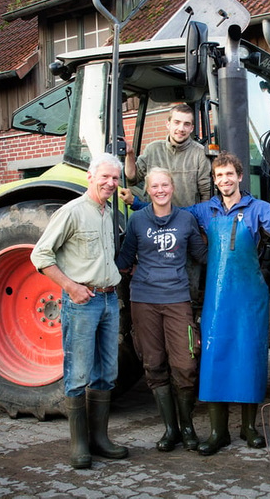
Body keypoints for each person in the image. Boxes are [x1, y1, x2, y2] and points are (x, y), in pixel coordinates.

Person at [184, 151, 270, 456]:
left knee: (250, 359)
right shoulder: (203, 211)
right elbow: (169, 214)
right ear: (214, 180)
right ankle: (218, 433)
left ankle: (249, 428)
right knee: (213, 360)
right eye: (219, 175)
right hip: (217, 300)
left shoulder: (257, 209)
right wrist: (137, 204)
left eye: (229, 174)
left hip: (250, 299)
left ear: (239, 177)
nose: (224, 180)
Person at [30, 153, 129, 469]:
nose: (111, 183)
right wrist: (71, 286)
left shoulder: (107, 212)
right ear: (91, 176)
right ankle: (79, 444)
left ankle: (100, 439)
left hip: (109, 301)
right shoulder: (72, 212)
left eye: (115, 178)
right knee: (79, 372)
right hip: (82, 303)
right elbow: (40, 255)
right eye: (105, 177)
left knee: (107, 372)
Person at [115, 167, 208, 452]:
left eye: (164, 185)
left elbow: (202, 256)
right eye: (154, 186)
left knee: (186, 364)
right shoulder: (137, 221)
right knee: (153, 364)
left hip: (177, 299)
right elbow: (125, 259)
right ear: (148, 189)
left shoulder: (186, 219)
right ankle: (171, 430)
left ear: (172, 188)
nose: (160, 190)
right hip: (144, 300)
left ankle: (188, 427)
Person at [123, 103, 212, 208]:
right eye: (177, 122)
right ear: (168, 124)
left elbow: (206, 193)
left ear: (191, 128)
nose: (181, 128)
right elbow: (132, 178)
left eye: (186, 124)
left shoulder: (200, 153)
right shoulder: (153, 149)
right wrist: (130, 154)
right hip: (155, 219)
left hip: (187, 220)